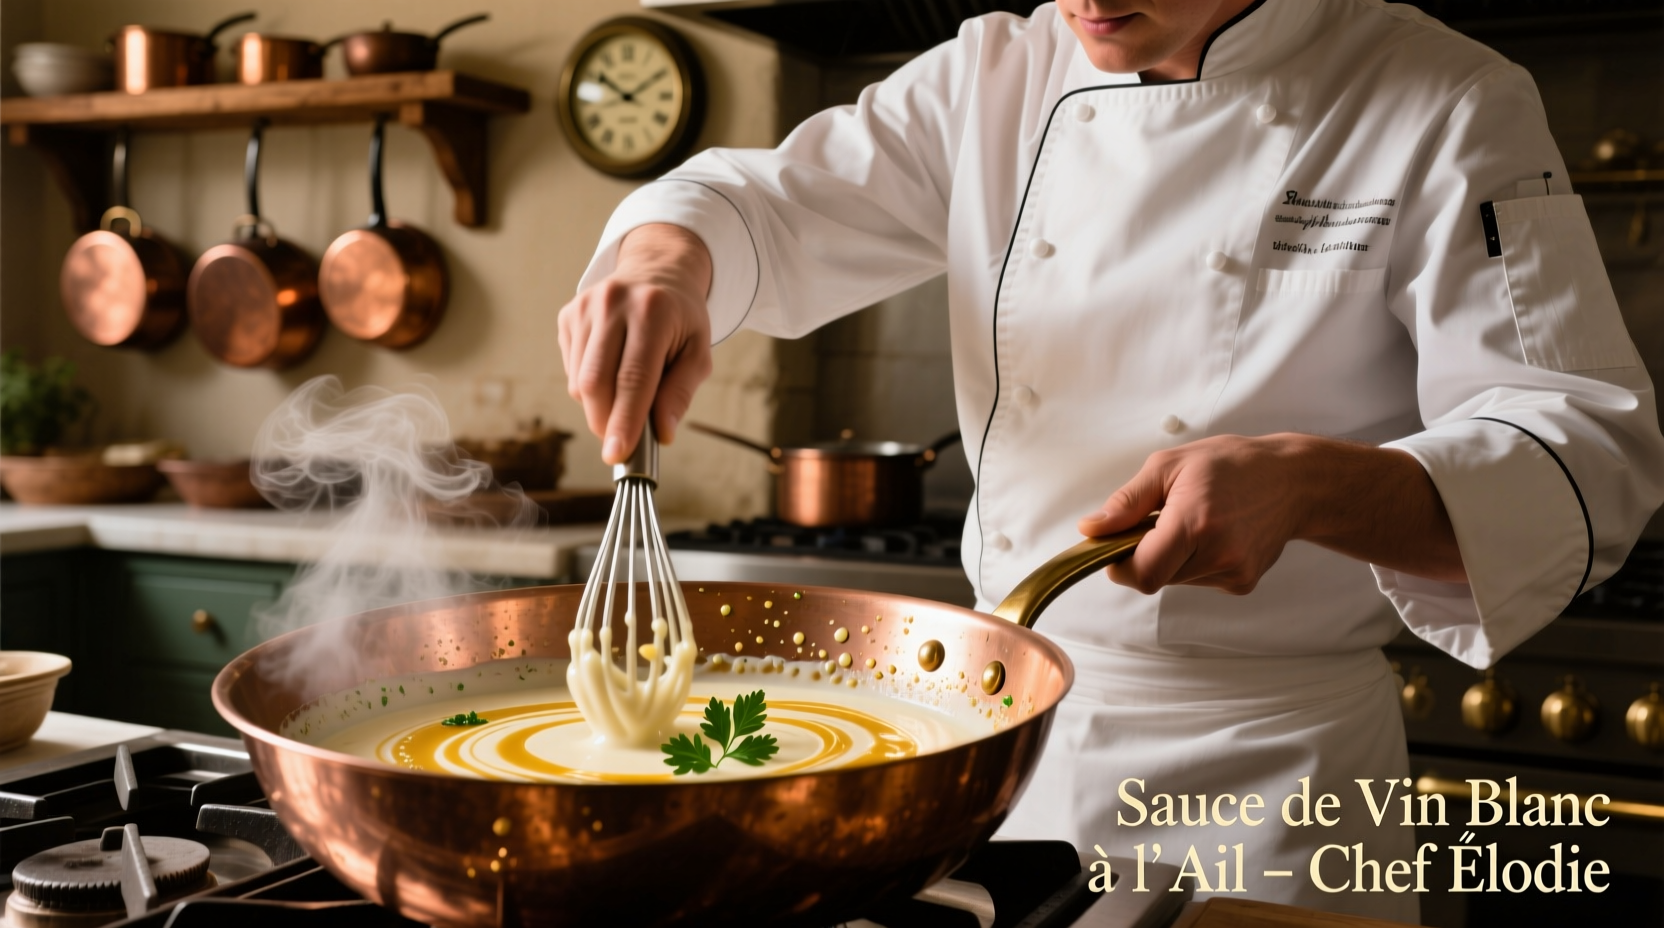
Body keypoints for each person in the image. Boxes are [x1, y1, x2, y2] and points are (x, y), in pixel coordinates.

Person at [559, 0, 1664, 918]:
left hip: (1275, 788)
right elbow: (762, 203)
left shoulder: (1438, 98)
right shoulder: (996, 74)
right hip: (1005, 760)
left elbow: (1582, 451)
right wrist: (667, 260)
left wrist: (1313, 486)